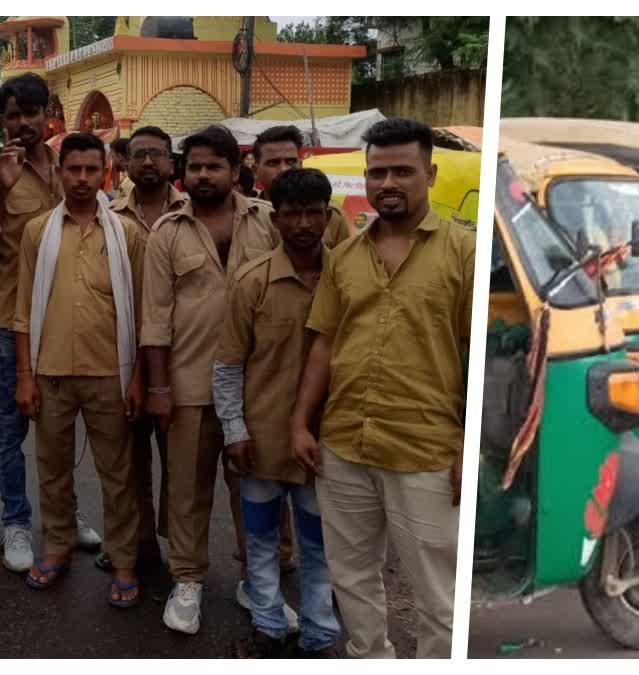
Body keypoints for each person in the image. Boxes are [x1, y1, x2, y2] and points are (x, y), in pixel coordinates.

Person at [291, 118, 474, 659]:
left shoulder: (462, 253)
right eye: (377, 172)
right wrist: (302, 420)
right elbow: (324, 342)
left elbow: (476, 354)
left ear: (430, 174)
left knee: (439, 596)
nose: (388, 183)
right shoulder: (344, 258)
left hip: (426, 449)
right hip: (345, 443)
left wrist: (470, 442)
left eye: (402, 171)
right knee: (352, 579)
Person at [140, 124, 291, 635]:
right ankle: (187, 580)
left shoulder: (269, 221)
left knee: (256, 491)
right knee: (186, 489)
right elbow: (155, 319)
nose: (203, 175)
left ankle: (258, 581)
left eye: (214, 166)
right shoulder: (167, 232)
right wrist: (158, 388)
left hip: (260, 389)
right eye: (195, 167)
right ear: (184, 173)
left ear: (235, 170)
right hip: (188, 385)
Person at [0, 73, 99, 573]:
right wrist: (2, 190)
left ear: (48, 114)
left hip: (69, 318)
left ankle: (63, 517)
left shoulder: (69, 168)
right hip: (10, 322)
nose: (23, 123)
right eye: (14, 115)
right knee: (9, 428)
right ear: (3, 120)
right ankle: (15, 523)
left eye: (32, 112)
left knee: (62, 427)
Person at [13, 132, 145, 603]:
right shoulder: (38, 231)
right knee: (51, 469)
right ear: (59, 172)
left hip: (112, 372)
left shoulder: (126, 233)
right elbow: (23, 308)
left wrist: (138, 377)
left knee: (118, 472)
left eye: (92, 170)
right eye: (74, 170)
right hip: (49, 373)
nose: (83, 179)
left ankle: (125, 560)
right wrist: (24, 377)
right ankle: (58, 547)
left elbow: (142, 310)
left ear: (106, 172)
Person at [214, 169, 341, 658]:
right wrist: (233, 430)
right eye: (293, 213)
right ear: (276, 217)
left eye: (315, 213)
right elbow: (228, 365)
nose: (305, 223)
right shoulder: (252, 281)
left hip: (325, 443)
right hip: (261, 441)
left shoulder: (347, 277)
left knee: (318, 545)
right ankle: (267, 624)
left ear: (329, 216)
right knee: (261, 541)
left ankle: (320, 634)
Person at [110, 125, 188, 569]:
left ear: (171, 162)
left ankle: (181, 551)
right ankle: (139, 544)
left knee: (177, 463)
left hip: (180, 356)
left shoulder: (193, 212)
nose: (147, 163)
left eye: (157, 154)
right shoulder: (109, 216)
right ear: (126, 163)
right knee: (130, 459)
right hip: (124, 357)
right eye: (138, 155)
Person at [251, 125, 351, 248]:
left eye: (291, 162)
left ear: (301, 164)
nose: (283, 169)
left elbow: (344, 263)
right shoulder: (247, 217)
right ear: (255, 171)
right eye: (273, 163)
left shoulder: (331, 215)